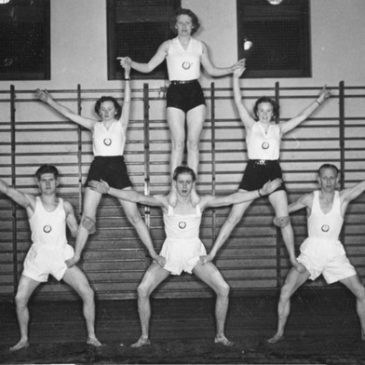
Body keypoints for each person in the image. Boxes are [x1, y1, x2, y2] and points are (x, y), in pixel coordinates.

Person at [89, 165, 282, 348]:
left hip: (193, 254)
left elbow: (229, 200)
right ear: (174, 183)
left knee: (223, 289)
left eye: (188, 182)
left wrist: (260, 193)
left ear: (193, 184)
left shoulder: (201, 203)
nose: (184, 186)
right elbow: (137, 197)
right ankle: (144, 337)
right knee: (142, 290)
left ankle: (220, 336)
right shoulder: (166, 203)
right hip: (170, 253)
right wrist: (109, 191)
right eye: (180, 182)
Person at [35, 61, 164, 270]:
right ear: (99, 111)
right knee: (88, 216)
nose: (106, 112)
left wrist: (127, 75)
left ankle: (153, 253)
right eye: (102, 109)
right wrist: (48, 99)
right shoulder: (93, 126)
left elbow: (129, 100)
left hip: (117, 168)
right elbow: (69, 114)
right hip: (98, 167)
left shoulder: (121, 125)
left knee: (134, 216)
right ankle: (76, 255)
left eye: (110, 109)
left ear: (115, 111)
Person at [204, 65, 331, 270]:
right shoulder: (250, 125)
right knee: (234, 217)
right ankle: (212, 253)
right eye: (261, 110)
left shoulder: (278, 129)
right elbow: (238, 102)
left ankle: (292, 258)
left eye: (268, 111)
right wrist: (235, 78)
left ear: (273, 113)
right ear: (257, 112)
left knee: (283, 218)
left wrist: (319, 99)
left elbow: (301, 118)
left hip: (272, 171)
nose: (264, 114)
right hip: (253, 171)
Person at [119, 8, 244, 203]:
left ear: (193, 25)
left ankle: (192, 189)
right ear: (175, 26)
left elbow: (211, 70)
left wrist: (231, 68)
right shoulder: (168, 46)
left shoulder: (199, 46)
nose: (185, 26)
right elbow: (149, 67)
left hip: (195, 92)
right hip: (176, 92)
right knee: (178, 143)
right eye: (181, 23)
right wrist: (130, 62)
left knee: (193, 143)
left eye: (188, 23)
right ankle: (173, 190)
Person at [0, 165, 101, 351]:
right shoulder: (31, 203)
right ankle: (24, 339)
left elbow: (75, 231)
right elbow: (6, 189)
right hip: (38, 258)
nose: (47, 184)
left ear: (57, 182)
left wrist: (89, 227)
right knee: (20, 299)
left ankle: (92, 336)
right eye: (43, 180)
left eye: (51, 180)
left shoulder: (66, 207)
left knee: (88, 293)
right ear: (38, 183)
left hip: (60, 256)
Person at [268, 164, 365, 343]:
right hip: (311, 254)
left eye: (331, 178)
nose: (328, 182)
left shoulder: (342, 198)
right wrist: (277, 219)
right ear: (318, 179)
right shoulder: (309, 199)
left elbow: (363, 185)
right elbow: (282, 212)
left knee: (361, 292)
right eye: (324, 178)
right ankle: (279, 333)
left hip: (334, 253)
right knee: (286, 290)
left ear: (337, 180)